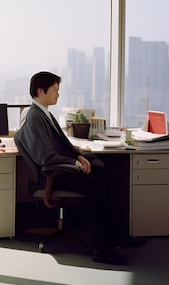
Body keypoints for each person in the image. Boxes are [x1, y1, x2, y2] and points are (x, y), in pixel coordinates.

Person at [15, 71, 146, 265]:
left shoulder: (44, 113)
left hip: (63, 168)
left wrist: (79, 156)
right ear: (41, 91)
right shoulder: (34, 117)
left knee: (104, 174)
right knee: (96, 187)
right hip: (54, 174)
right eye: (55, 90)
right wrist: (75, 164)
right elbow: (45, 157)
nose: (58, 95)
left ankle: (118, 235)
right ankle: (101, 249)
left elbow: (63, 145)